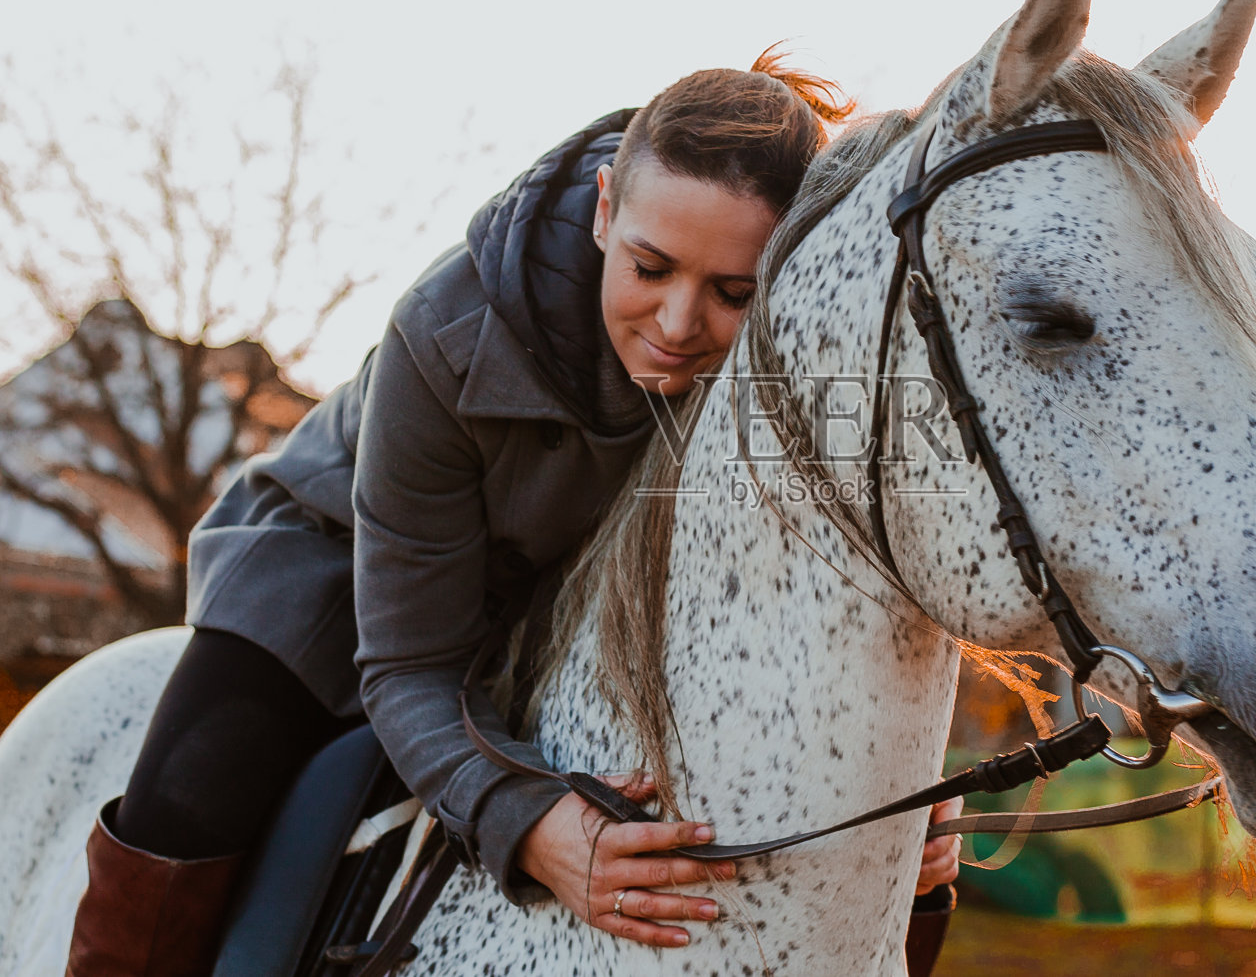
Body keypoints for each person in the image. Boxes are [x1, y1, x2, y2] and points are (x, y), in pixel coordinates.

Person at [64, 50, 959, 977]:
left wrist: (907, 804)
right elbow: (411, 662)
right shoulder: (443, 333)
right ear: (607, 209)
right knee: (188, 795)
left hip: (570, 593)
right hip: (338, 565)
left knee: (921, 877)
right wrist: (529, 825)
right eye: (651, 267)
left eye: (734, 291)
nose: (680, 324)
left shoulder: (793, 354)